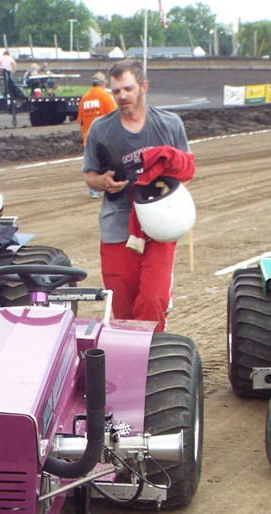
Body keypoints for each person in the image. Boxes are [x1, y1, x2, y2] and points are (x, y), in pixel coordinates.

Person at [82, 60, 190, 332]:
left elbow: (186, 169)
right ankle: (130, 354)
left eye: (128, 88)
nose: (122, 96)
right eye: (116, 91)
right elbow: (90, 176)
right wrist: (103, 182)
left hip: (159, 224)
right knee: (123, 308)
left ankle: (151, 352)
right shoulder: (100, 128)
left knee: (153, 299)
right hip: (116, 225)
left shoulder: (169, 124)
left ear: (144, 86)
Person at [77, 72, 116, 199]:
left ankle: (94, 190)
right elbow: (114, 117)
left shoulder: (84, 98)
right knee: (108, 163)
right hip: (104, 137)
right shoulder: (106, 97)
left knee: (92, 165)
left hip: (88, 136)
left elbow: (81, 121)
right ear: (103, 84)